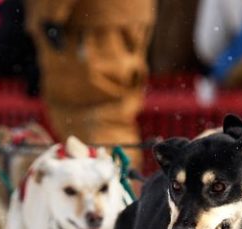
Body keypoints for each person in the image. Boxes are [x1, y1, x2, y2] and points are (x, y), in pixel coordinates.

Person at [25, 0, 156, 170]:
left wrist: (50, 12)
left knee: (91, 120)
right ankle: (120, 186)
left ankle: (109, 186)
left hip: (84, 25)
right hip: (122, 16)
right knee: (114, 112)